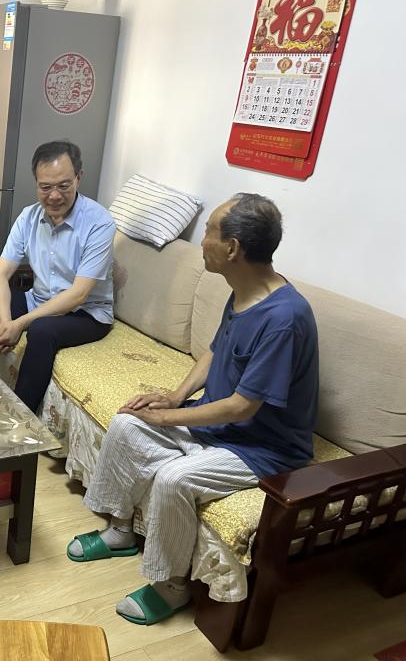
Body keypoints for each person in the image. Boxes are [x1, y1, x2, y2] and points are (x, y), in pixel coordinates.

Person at [66, 194, 319, 626]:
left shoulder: (284, 318)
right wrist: (175, 396)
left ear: (232, 248)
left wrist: (169, 418)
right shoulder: (243, 292)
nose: (202, 240)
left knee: (173, 478)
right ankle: (121, 530)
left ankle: (172, 587)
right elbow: (215, 351)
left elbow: (242, 407)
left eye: (209, 231)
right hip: (220, 428)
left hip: (263, 449)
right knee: (127, 423)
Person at [0, 140, 116, 413]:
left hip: (86, 313)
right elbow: (0, 274)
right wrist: (7, 322)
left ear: (79, 178)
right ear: (36, 182)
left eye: (63, 186)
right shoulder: (29, 217)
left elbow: (78, 294)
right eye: (45, 187)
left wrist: (20, 323)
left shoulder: (99, 223)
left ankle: (21, 419)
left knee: (41, 331)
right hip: (40, 300)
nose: (54, 196)